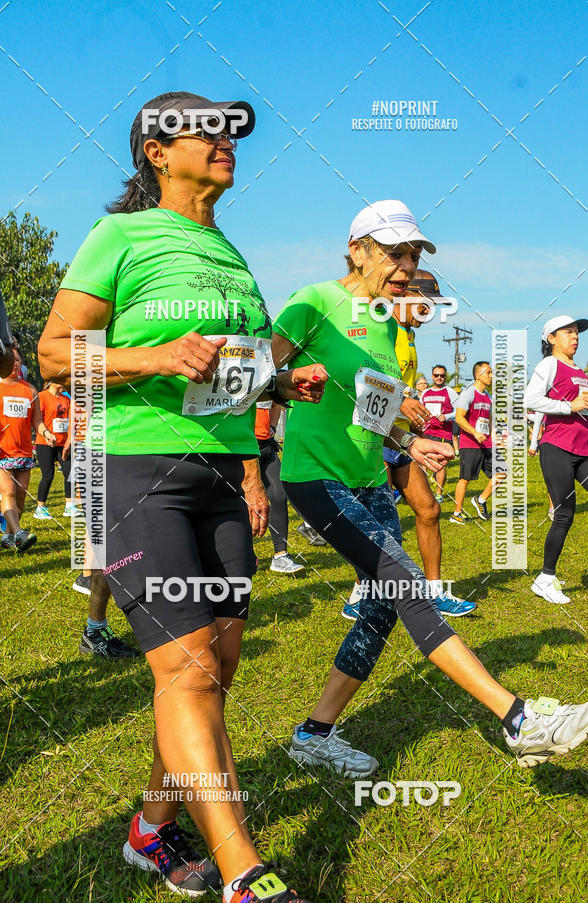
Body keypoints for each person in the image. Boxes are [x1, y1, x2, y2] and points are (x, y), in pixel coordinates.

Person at [39, 90, 323, 903]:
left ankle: (150, 828)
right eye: (206, 128)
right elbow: (57, 355)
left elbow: (237, 371)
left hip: (222, 475)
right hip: (139, 471)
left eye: (231, 128)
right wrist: (156, 356)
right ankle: (246, 875)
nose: (228, 139)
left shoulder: (232, 254)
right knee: (190, 668)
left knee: (215, 666)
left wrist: (282, 382)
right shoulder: (119, 235)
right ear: (157, 153)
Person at [270, 198, 588, 778]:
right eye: (396, 253)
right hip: (314, 475)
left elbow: (365, 403)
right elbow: (256, 378)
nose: (405, 267)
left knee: (378, 608)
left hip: (371, 477)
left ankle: (313, 733)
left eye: (413, 254)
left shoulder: (384, 319)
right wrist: (276, 401)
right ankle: (517, 718)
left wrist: (404, 437)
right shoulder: (313, 302)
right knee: (405, 584)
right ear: (357, 249)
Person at [375, 269, 475, 619]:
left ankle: (434, 593)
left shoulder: (407, 333)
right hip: (375, 436)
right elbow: (364, 376)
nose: (430, 311)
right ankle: (363, 595)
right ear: (405, 294)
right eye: (427, 303)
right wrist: (401, 398)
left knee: (430, 510)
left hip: (400, 438)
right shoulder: (383, 327)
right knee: (380, 521)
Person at [525, 315, 588, 604]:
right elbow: (530, 399)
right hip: (557, 448)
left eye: (577, 332)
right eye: (567, 332)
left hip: (586, 450)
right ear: (551, 338)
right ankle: (545, 578)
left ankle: (547, 578)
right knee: (565, 513)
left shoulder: (580, 370)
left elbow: (585, 409)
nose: (575, 336)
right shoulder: (549, 365)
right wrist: (569, 405)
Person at [450, 362, 505, 524]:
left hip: (487, 443)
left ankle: (480, 500)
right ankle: (456, 513)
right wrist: (474, 432)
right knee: (465, 479)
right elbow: (459, 418)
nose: (491, 376)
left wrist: (495, 437)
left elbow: (490, 421)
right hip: (470, 443)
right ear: (478, 375)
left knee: (502, 472)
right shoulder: (468, 393)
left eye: (491, 372)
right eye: (488, 372)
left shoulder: (489, 397)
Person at [255, 401, 305, 575]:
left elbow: (276, 404)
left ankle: (280, 555)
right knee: (243, 500)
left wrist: (273, 427)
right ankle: (244, 553)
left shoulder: (268, 376)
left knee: (279, 495)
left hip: (266, 446)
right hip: (242, 446)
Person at [0, 348, 40, 551]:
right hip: (2, 452)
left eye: (18, 360)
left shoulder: (31, 390)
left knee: (22, 496)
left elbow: (37, 421)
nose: (15, 363)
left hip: (23, 453)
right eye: (11, 360)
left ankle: (9, 536)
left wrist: (46, 433)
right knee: (9, 492)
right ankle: (19, 533)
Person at [34, 382, 75, 519]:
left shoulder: (66, 399)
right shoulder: (42, 396)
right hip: (45, 443)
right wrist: (47, 435)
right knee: (48, 475)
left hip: (63, 443)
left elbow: (70, 420)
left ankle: (69, 506)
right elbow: (37, 420)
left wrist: (69, 439)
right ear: (54, 381)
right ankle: (40, 508)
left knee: (70, 471)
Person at [421, 364, 459, 501]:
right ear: (432, 376)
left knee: (440, 464)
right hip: (427, 432)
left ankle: (439, 493)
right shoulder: (425, 393)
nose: (439, 378)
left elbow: (459, 411)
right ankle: (425, 492)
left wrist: (447, 417)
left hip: (443, 434)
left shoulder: (450, 392)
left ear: (445, 376)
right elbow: (420, 410)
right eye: (436, 375)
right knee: (424, 463)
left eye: (442, 375)